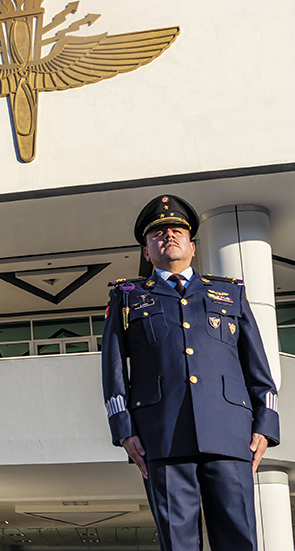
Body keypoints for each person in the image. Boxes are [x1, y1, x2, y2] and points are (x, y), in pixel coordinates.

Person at [102, 195, 280, 551]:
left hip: (230, 436)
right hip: (161, 436)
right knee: (178, 543)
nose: (168, 235)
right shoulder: (127, 298)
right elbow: (113, 370)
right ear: (146, 251)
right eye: (157, 233)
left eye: (177, 229)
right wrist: (124, 431)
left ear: (192, 246)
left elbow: (257, 365)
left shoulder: (230, 293)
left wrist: (265, 426)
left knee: (238, 540)